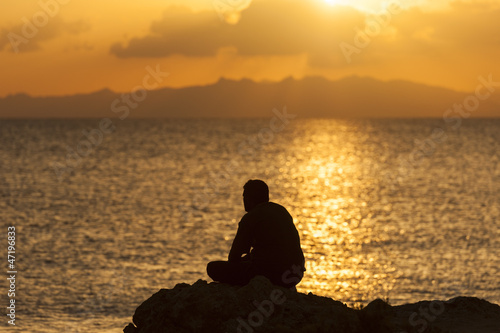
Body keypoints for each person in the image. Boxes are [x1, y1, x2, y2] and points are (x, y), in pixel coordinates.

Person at [206, 179, 305, 289]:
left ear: (249, 198)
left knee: (212, 268)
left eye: (244, 196)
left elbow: (233, 257)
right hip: (296, 274)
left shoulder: (250, 217)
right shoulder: (281, 211)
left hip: (272, 274)